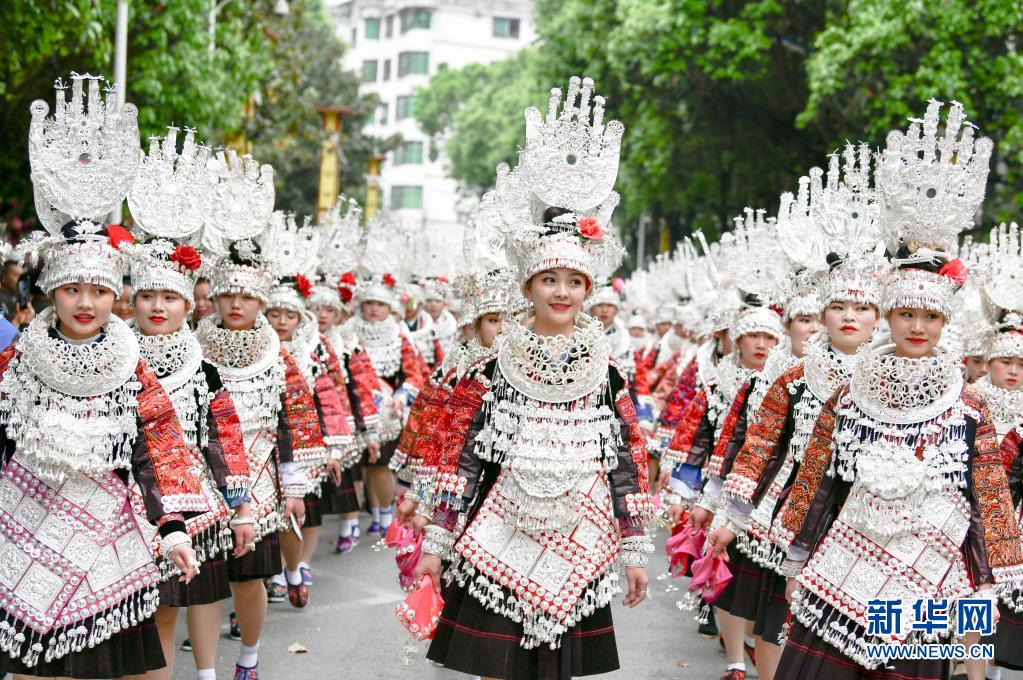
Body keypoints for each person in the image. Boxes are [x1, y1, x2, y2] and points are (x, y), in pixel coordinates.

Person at [773, 100, 1023, 680]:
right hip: (845, 568)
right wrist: (796, 557)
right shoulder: (849, 394)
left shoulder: (969, 407)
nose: (916, 326)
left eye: (929, 318)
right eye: (905, 313)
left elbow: (988, 501)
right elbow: (818, 480)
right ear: (887, 317)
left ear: (944, 325)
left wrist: (979, 613)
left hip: (930, 581)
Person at [414, 76, 653, 680]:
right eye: (550, 280)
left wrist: (632, 547)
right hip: (502, 527)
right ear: (528, 287)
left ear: (589, 290)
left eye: (575, 282)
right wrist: (436, 547)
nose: (563, 292)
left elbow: (625, 458)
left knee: (558, 669)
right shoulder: (491, 368)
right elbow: (462, 459)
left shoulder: (608, 372)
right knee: (502, 666)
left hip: (582, 526)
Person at [196, 222, 326, 678]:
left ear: (261, 301)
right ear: (213, 297)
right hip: (199, 478)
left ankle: (248, 657)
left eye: (247, 297)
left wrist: (293, 485)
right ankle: (206, 670)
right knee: (203, 583)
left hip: (259, 482)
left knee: (248, 577)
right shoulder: (191, 347)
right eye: (228, 294)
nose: (236, 304)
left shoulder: (277, 353)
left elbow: (296, 422)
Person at [128, 239, 256, 680]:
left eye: (169, 298)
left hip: (194, 500)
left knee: (199, 595)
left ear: (188, 305)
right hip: (130, 502)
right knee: (155, 611)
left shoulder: (202, 368)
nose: (157, 307)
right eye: (147, 296)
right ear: (132, 301)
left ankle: (207, 673)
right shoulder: (114, 356)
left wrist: (241, 507)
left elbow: (225, 439)